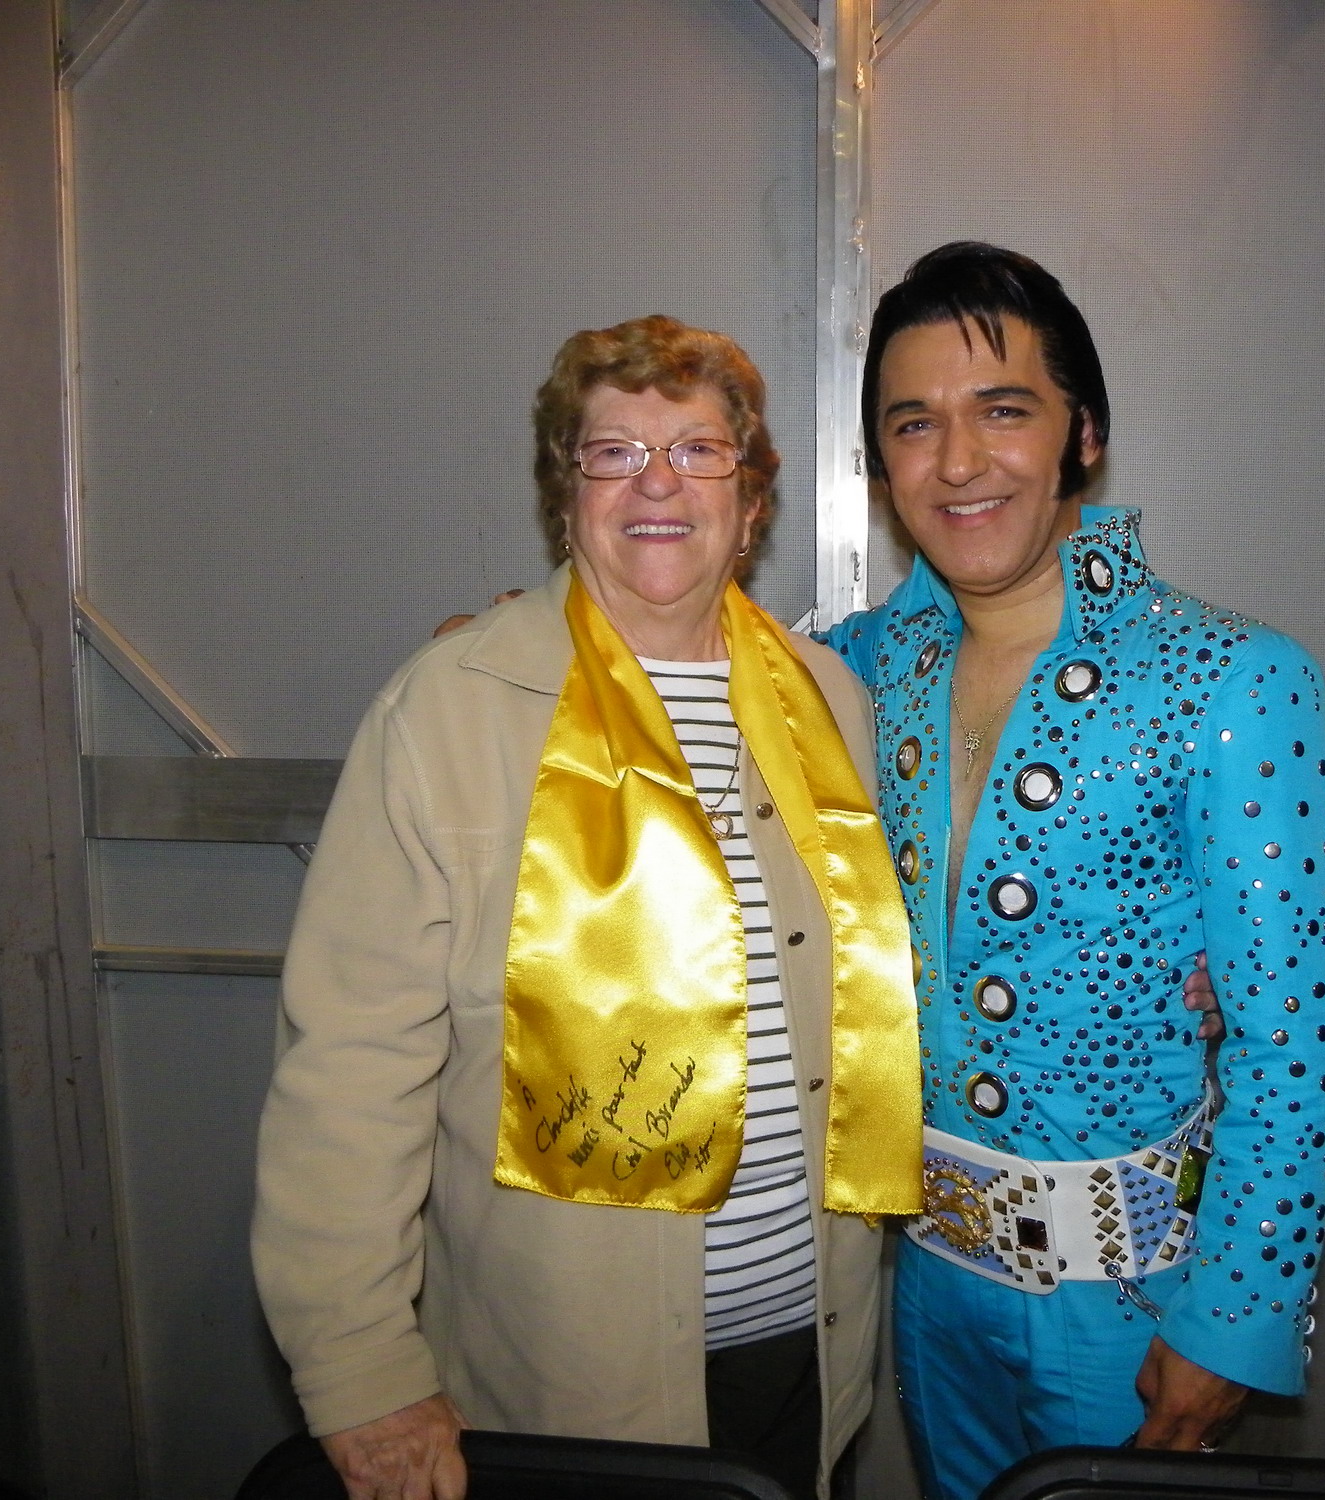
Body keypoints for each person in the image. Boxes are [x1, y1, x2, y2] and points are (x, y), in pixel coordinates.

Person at [253, 314, 922, 1500]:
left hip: (806, 1352)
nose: (657, 483)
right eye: (613, 452)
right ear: (566, 497)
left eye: (698, 450)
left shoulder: (828, 699)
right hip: (567, 1386)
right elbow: (349, 1072)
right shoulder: (450, 709)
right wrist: (360, 1369)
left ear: (752, 501)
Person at [817, 242, 1325, 1498]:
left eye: (1002, 411)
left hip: (1137, 1302)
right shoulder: (853, 668)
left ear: (1084, 435)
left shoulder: (1231, 677)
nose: (957, 461)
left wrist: (1233, 1318)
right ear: (881, 464)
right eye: (913, 424)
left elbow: (1294, 1044)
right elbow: (683, 679)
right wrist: (538, 639)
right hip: (927, 1287)